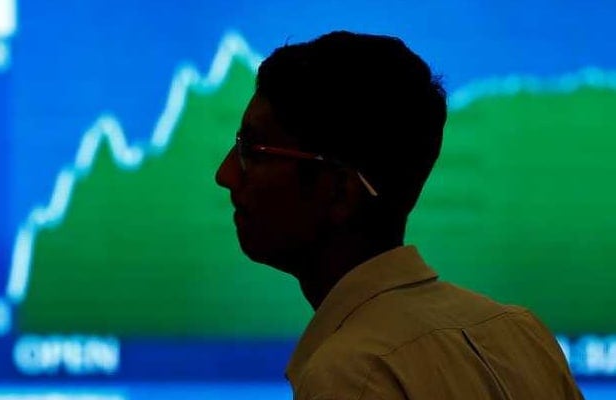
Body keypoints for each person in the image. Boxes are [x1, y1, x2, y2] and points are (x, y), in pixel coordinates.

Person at [215, 30, 584, 399]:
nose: (226, 174)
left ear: (340, 191)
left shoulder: (352, 377)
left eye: (253, 152)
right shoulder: (523, 335)